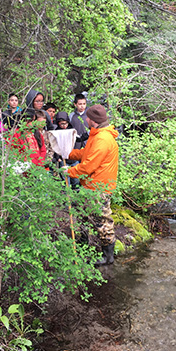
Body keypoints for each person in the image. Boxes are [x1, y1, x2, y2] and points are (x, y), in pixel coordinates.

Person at [66, 104, 119, 265]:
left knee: (102, 221)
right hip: (91, 186)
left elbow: (88, 166)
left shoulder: (103, 139)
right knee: (82, 214)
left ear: (94, 121)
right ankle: (82, 246)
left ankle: (108, 256)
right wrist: (67, 153)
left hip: (99, 188)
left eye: (88, 117)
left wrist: (68, 171)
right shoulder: (97, 135)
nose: (86, 119)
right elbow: (85, 153)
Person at [53, 111, 79, 189]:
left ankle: (76, 195)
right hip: (63, 159)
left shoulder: (71, 130)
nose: (64, 126)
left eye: (66, 123)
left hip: (73, 158)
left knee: (76, 179)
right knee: (66, 180)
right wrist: (58, 158)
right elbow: (55, 145)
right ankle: (67, 196)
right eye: (62, 124)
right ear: (58, 123)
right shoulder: (56, 132)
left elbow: (77, 141)